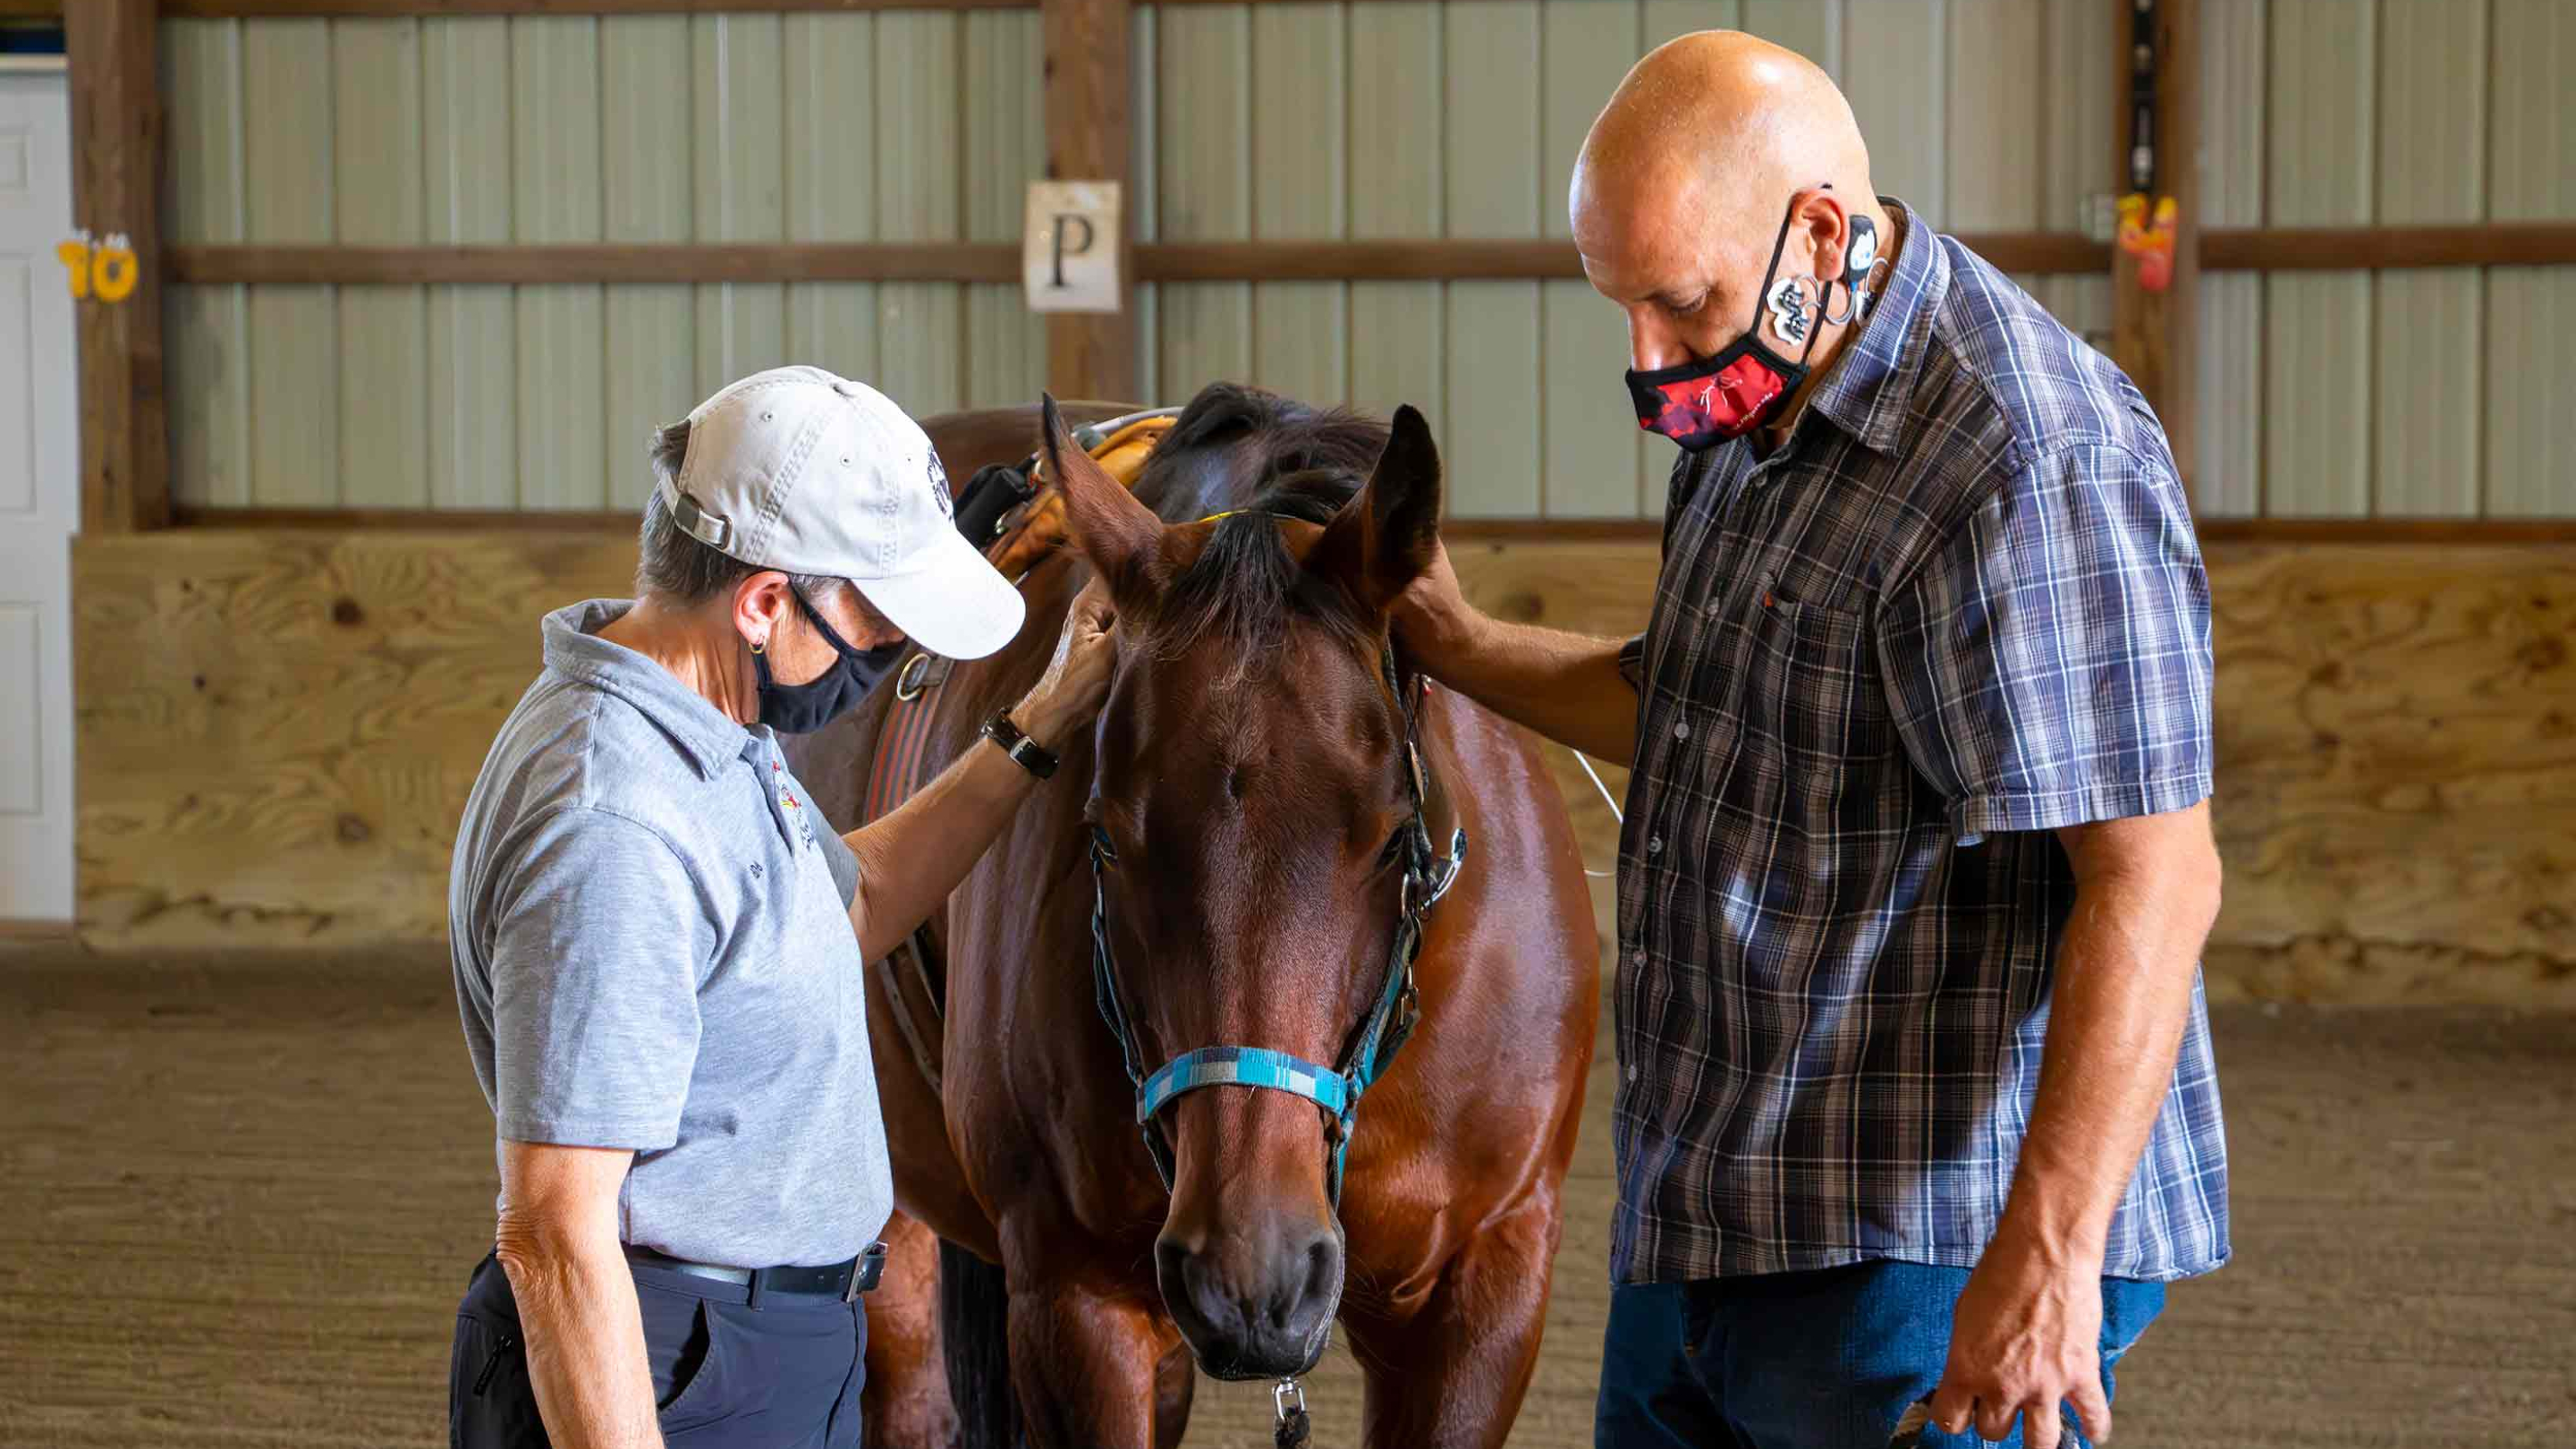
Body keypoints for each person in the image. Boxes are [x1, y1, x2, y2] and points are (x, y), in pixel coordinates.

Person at [1390, 33, 2228, 1449]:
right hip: (1726, 1204)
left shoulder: (2027, 460)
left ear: (1818, 237)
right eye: (1621, 308)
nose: (1649, 362)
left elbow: (2156, 874)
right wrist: (1460, 647)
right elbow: (1708, 710)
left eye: (1677, 303)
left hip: (1921, 1245)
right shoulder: (1759, 394)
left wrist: (2052, 1255)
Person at [445, 366, 1115, 1448]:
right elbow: (556, 1230)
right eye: (881, 620)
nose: (894, 651)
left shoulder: (703, 733)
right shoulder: (613, 822)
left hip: (750, 1350)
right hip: (672, 1369)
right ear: (764, 601)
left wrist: (1039, 722)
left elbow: (842, 912)